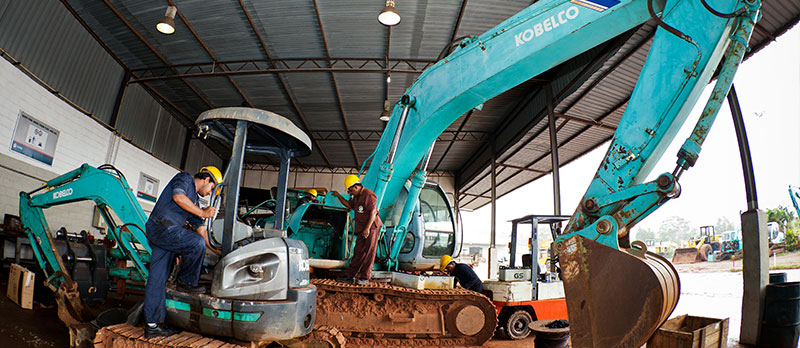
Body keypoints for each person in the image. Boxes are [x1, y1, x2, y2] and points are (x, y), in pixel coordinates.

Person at [143, 166, 222, 338]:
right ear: (207, 179)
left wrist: (215, 249)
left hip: (165, 237)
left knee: (157, 279)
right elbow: (178, 197)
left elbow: (200, 228)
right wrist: (203, 212)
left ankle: (152, 325)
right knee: (195, 243)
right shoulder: (185, 178)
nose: (209, 194)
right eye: (211, 189)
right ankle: (186, 282)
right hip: (161, 228)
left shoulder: (193, 201)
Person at [331, 175, 382, 285]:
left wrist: (367, 229)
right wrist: (338, 196)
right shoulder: (357, 197)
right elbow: (349, 205)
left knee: (369, 252)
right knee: (358, 251)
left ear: (355, 187)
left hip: (371, 228)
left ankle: (365, 277)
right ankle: (350, 275)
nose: (350, 193)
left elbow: (373, 212)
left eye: (350, 190)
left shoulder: (369, 195)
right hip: (362, 229)